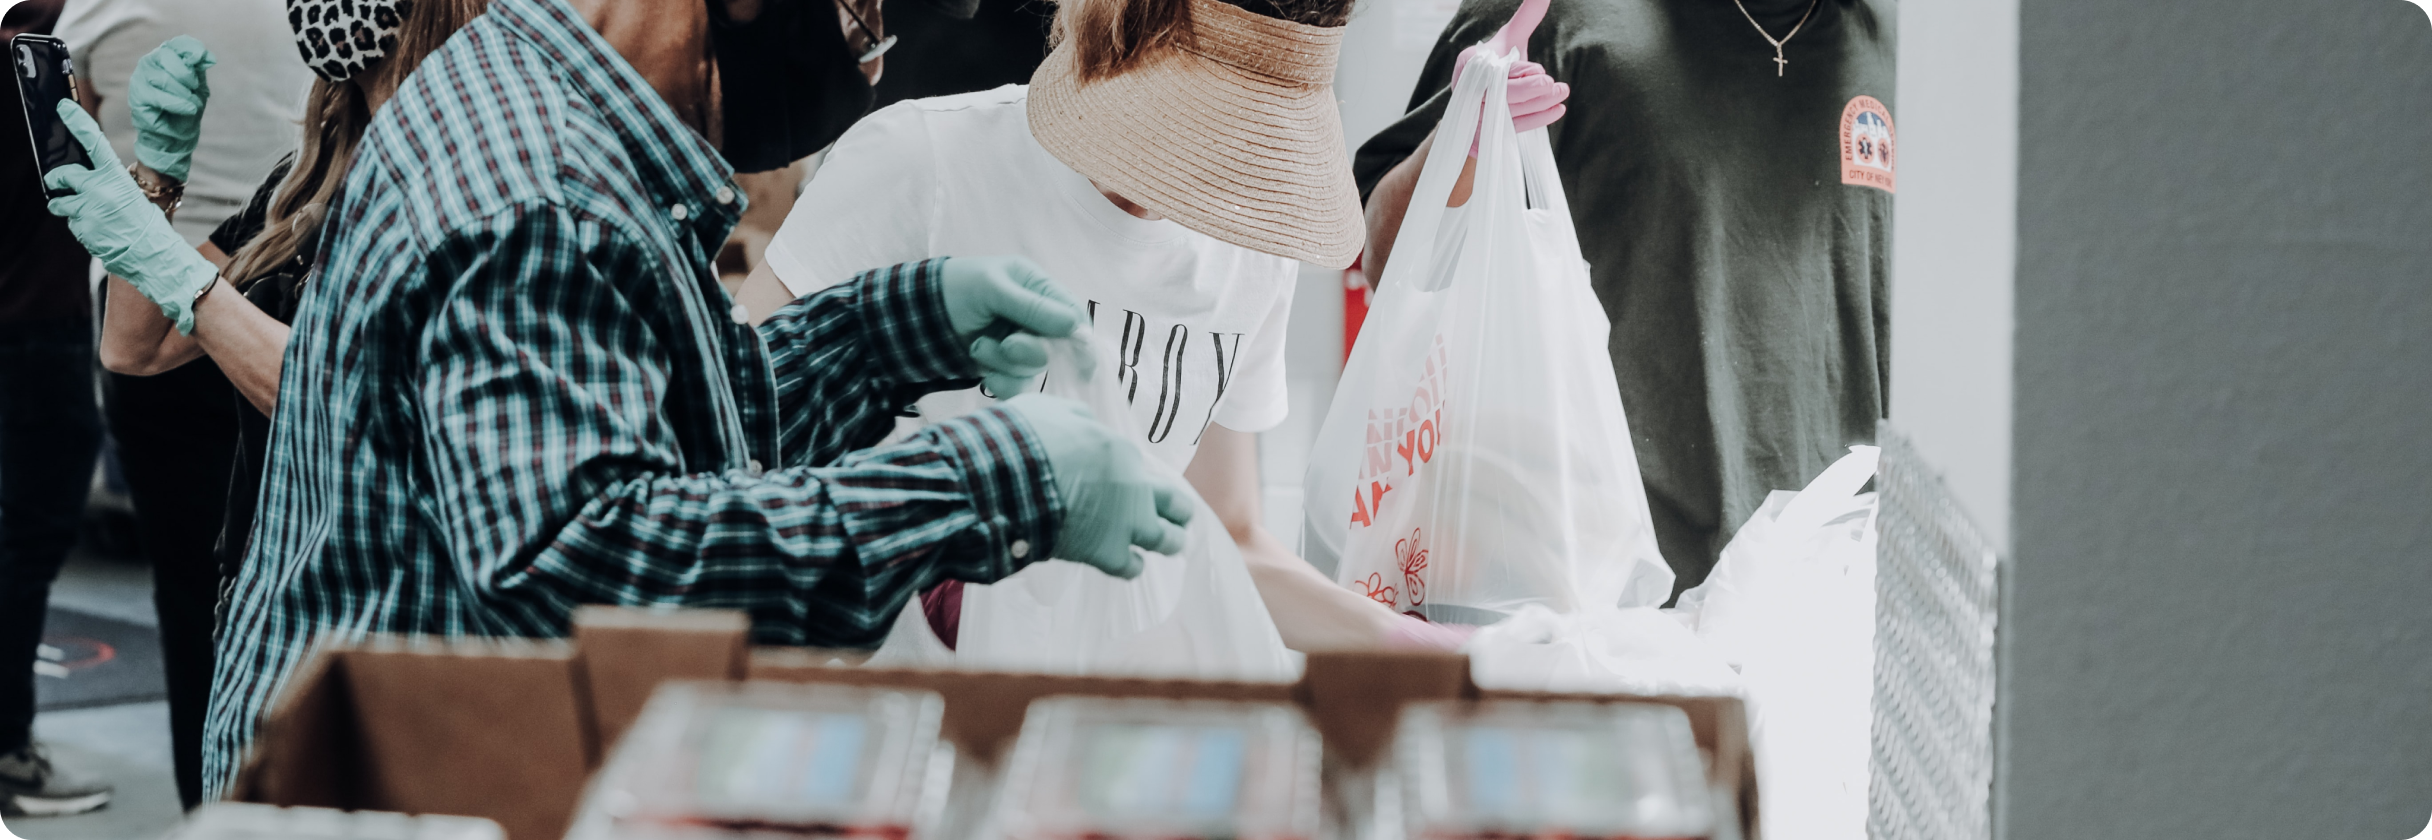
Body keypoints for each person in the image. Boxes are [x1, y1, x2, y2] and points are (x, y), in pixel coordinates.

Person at [32, 0, 1197, 797]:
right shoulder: (536, 192)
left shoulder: (544, 115)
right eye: (858, 14)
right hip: (397, 785)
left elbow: (658, 424)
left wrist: (893, 328)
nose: (868, 52)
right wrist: (986, 483)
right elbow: (590, 565)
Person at [733, 0, 1466, 659]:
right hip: (886, 707)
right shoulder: (924, 166)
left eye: (1244, 142)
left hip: (1097, 721)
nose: (1204, 173)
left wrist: (1418, 645)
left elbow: (1225, 536)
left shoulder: (1247, 249)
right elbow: (727, 435)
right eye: (1198, 123)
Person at [1358, 0, 1892, 595]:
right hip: (1598, 600)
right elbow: (1388, 257)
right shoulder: (1555, 16)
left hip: (1832, 596)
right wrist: (1467, 141)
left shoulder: (1905, 46)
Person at [51, 0, 309, 808]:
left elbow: (337, 397)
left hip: (363, 591)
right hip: (263, 563)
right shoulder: (309, 171)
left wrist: (180, 275)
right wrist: (155, 179)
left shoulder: (439, 176)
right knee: (203, 615)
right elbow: (134, 346)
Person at [0, 0, 113, 818]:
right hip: (36, 327)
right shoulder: (31, 59)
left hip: (35, 320)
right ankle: (8, 750)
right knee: (26, 545)